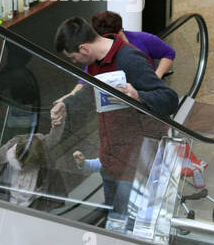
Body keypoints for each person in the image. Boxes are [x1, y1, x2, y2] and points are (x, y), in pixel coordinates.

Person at [52, 16, 180, 230]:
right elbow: (92, 93)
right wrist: (67, 104)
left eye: (73, 58)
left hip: (134, 165)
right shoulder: (95, 63)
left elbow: (169, 98)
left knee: (128, 226)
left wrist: (138, 96)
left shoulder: (129, 59)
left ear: (84, 49)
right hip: (111, 160)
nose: (75, 62)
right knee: (116, 223)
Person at [90, 10, 175, 77]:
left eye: (112, 39)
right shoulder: (97, 49)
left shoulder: (144, 39)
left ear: (121, 31)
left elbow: (169, 53)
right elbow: (86, 78)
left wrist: (157, 75)